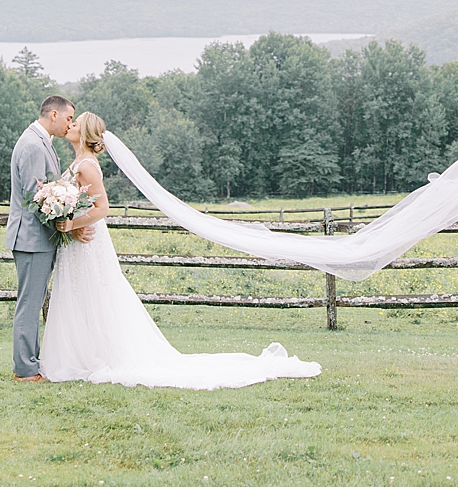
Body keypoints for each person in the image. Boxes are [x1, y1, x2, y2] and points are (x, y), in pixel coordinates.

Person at [38, 111, 320, 389]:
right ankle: (83, 355)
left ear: (85, 133)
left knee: (96, 294)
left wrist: (71, 223)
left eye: (75, 123)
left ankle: (98, 356)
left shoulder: (86, 165)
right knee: (84, 295)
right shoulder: (78, 162)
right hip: (78, 241)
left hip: (88, 244)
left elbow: (103, 208)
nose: (70, 125)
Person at [6, 94, 77, 381]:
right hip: (32, 239)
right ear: (54, 115)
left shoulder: (38, 141)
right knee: (30, 304)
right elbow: (35, 197)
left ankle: (31, 363)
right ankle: (25, 370)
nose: (69, 125)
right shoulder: (34, 145)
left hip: (36, 239)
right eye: (69, 118)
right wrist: (63, 218)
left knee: (33, 302)